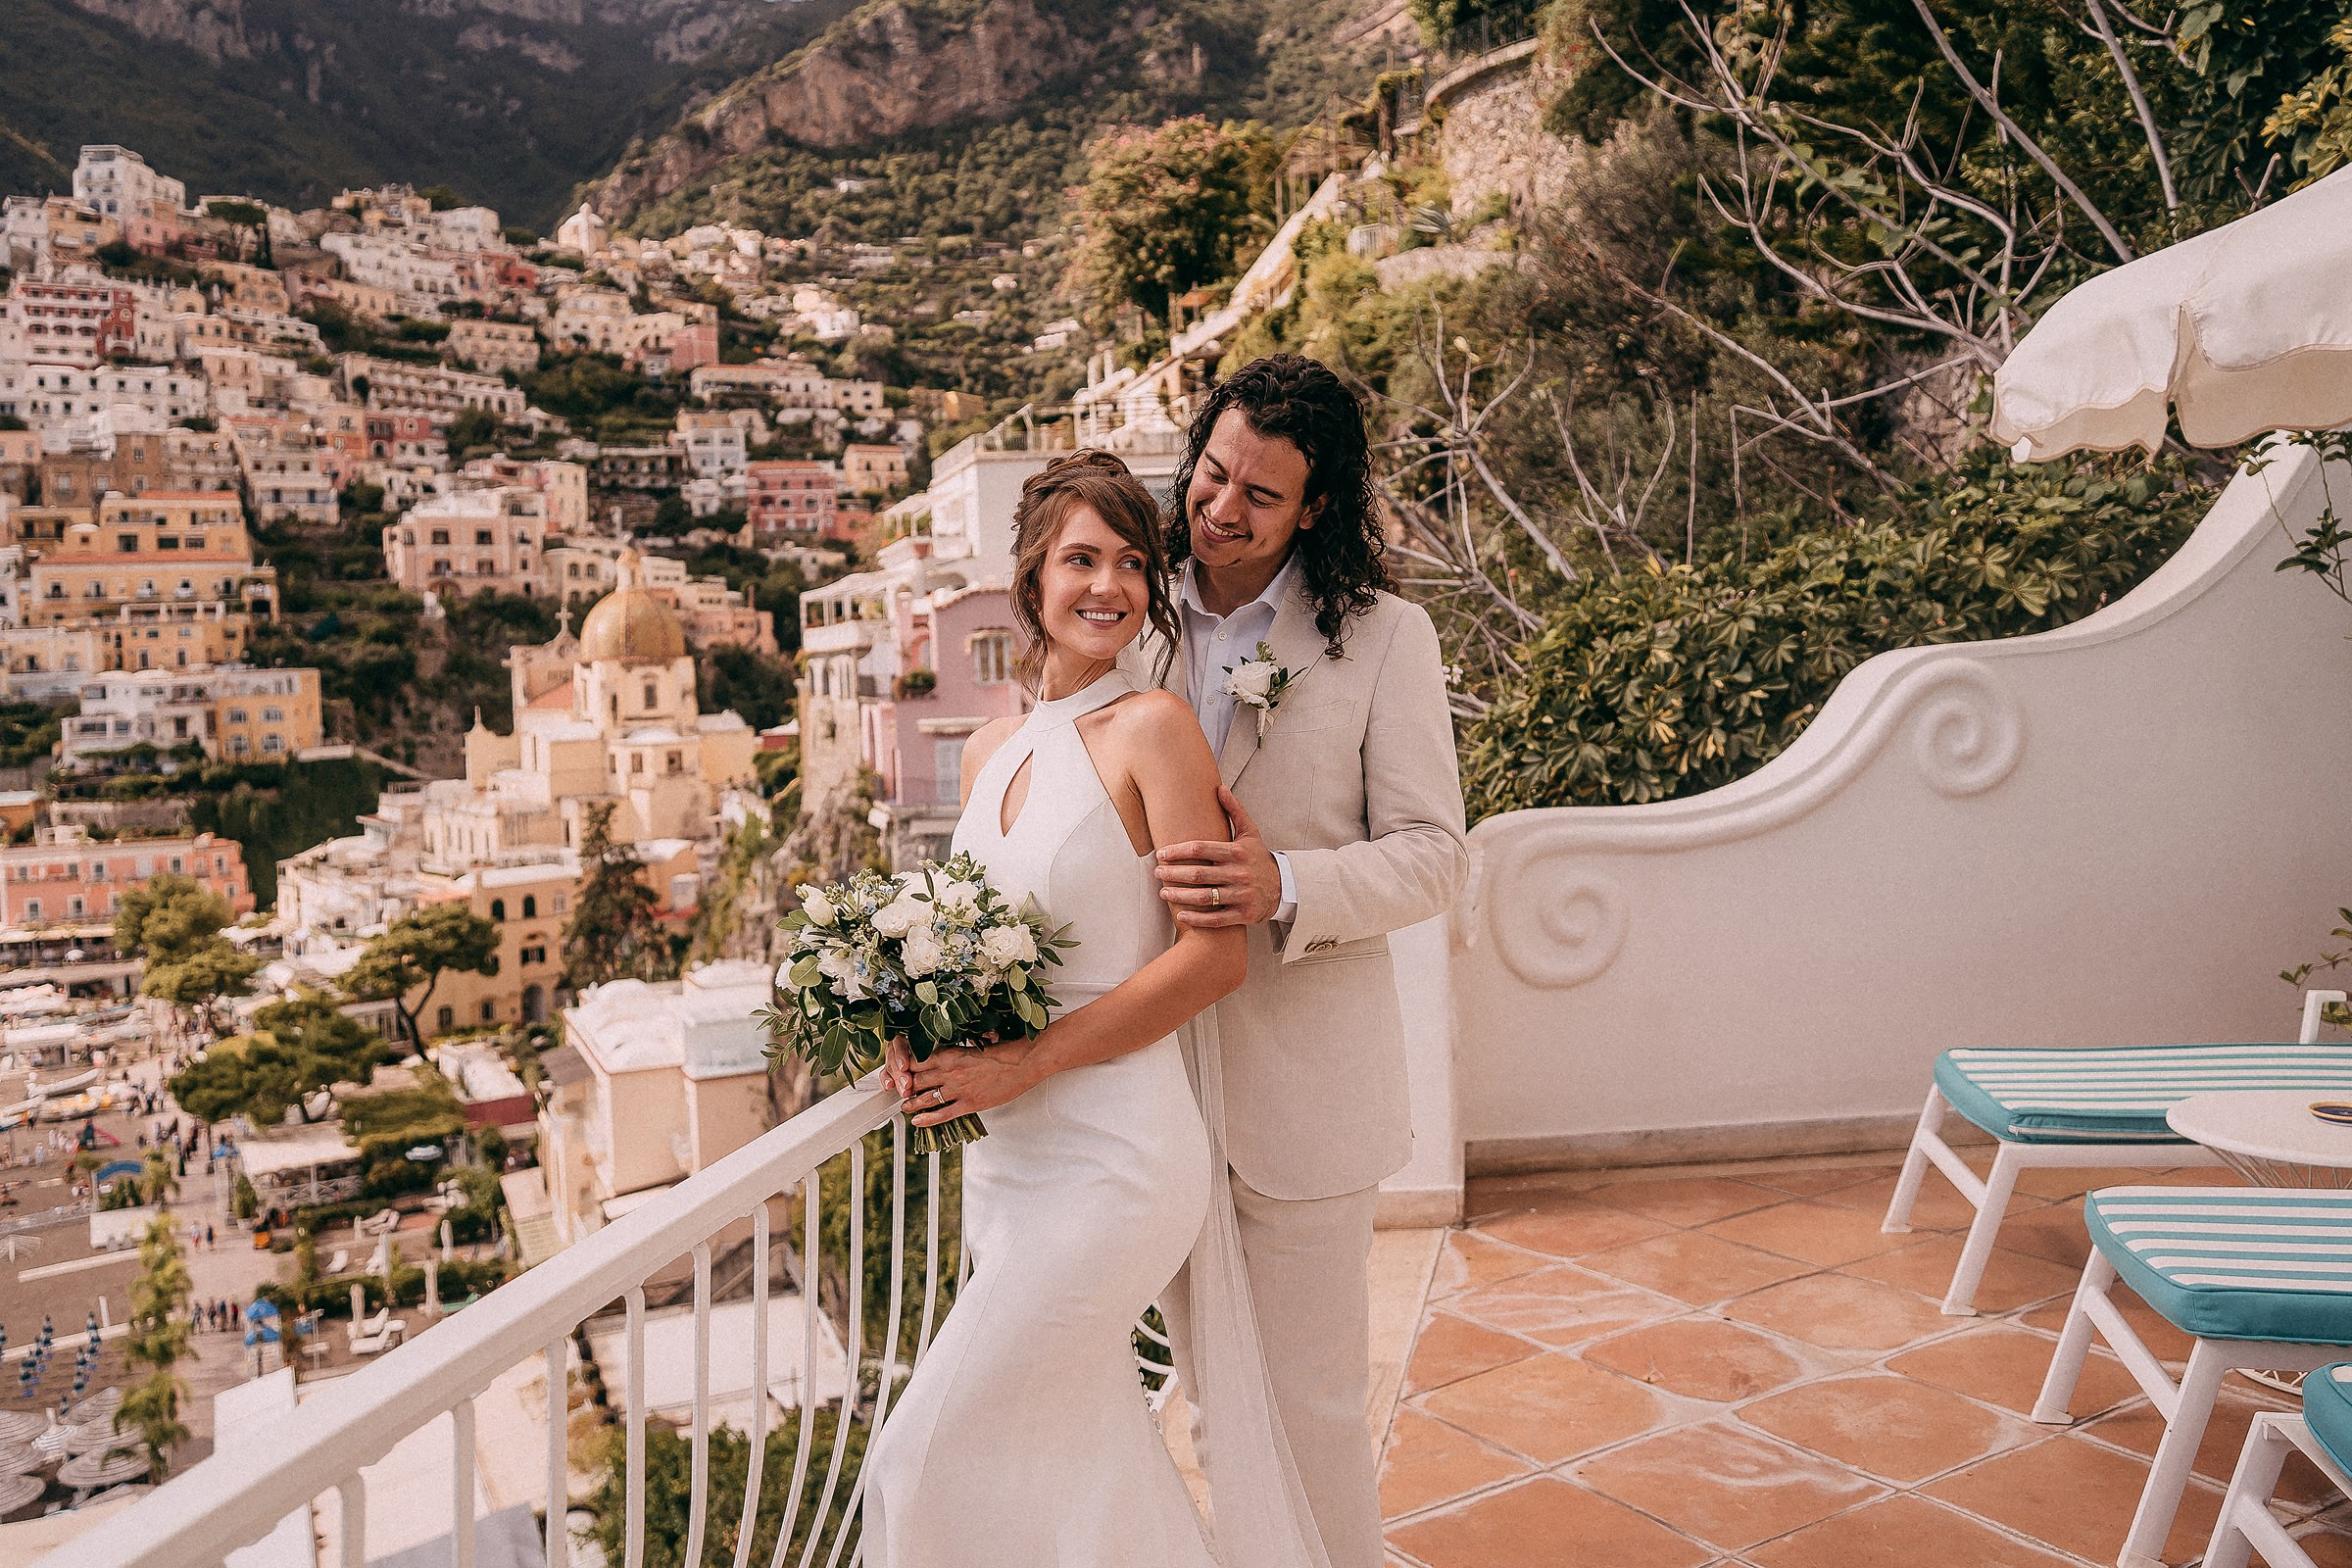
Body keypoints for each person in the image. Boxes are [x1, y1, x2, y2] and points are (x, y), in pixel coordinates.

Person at [867, 454, 1326, 1566]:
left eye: (1133, 561)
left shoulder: (1154, 728)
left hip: (1117, 1158)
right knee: (1080, 1452)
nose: (1108, 585)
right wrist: (903, 1019)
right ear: (1031, 579)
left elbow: (1215, 961)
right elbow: (967, 936)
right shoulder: (986, 752)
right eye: (1082, 558)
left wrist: (1029, 1062)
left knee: (918, 1456)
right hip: (1008, 1163)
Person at [1140, 354, 1469, 1568]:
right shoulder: (1135, 612)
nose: (1220, 511)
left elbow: (1438, 857)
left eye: (1259, 497)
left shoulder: (1387, 638)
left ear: (1317, 507)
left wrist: (1288, 884)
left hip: (1307, 1096)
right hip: (1147, 1088)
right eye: (1211, 476)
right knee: (1216, 1411)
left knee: (1314, 1414)